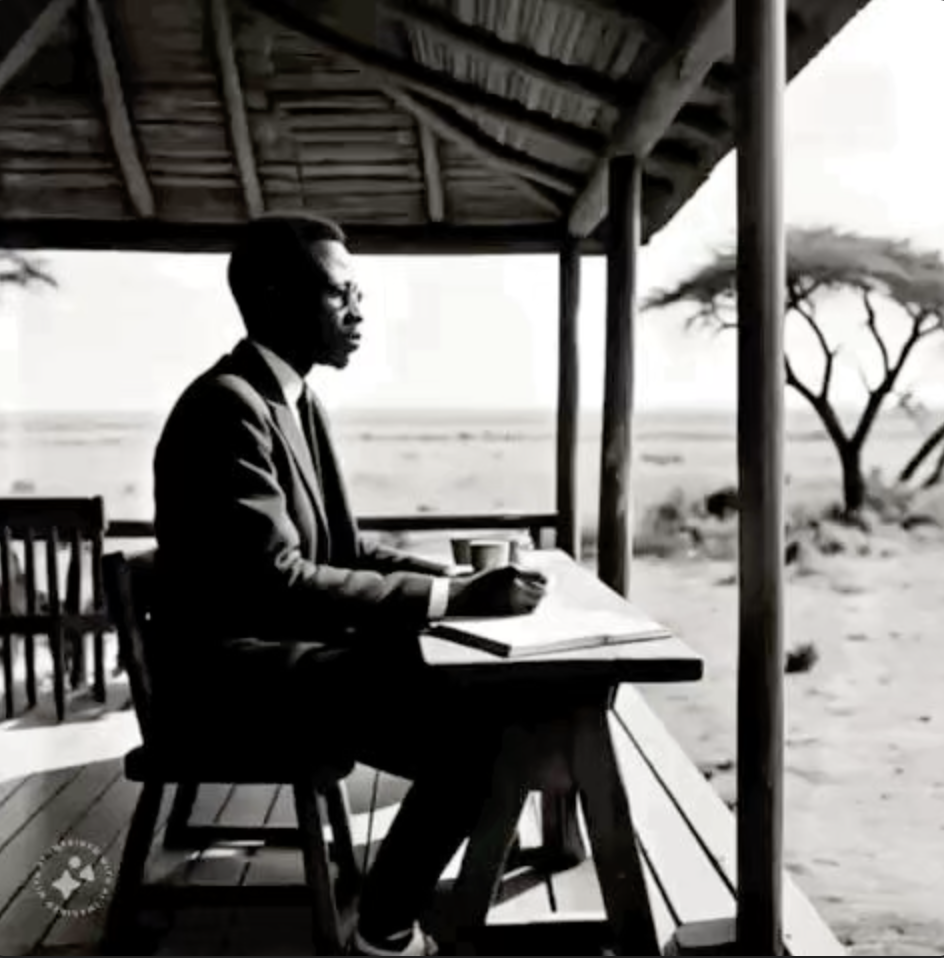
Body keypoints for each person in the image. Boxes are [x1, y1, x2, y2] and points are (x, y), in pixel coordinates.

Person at [150, 212, 551, 956]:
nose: (360, 312)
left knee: (483, 719)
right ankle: (385, 934)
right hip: (232, 679)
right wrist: (451, 604)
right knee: (477, 732)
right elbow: (274, 579)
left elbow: (347, 549)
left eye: (358, 294)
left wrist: (456, 579)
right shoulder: (227, 407)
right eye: (342, 295)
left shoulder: (294, 400)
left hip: (286, 658)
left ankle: (388, 922)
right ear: (273, 299)